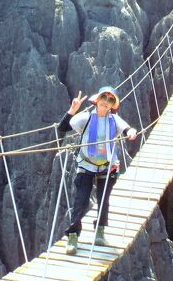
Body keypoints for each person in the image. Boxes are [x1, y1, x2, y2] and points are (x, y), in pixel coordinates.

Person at [57, 86, 138, 255]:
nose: (106, 102)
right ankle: (73, 236)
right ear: (97, 99)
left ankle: (99, 232)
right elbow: (62, 127)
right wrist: (72, 110)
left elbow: (126, 128)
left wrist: (131, 132)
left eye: (110, 100)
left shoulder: (114, 120)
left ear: (112, 105)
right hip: (86, 165)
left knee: (104, 200)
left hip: (107, 167)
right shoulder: (85, 117)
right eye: (104, 98)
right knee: (81, 201)